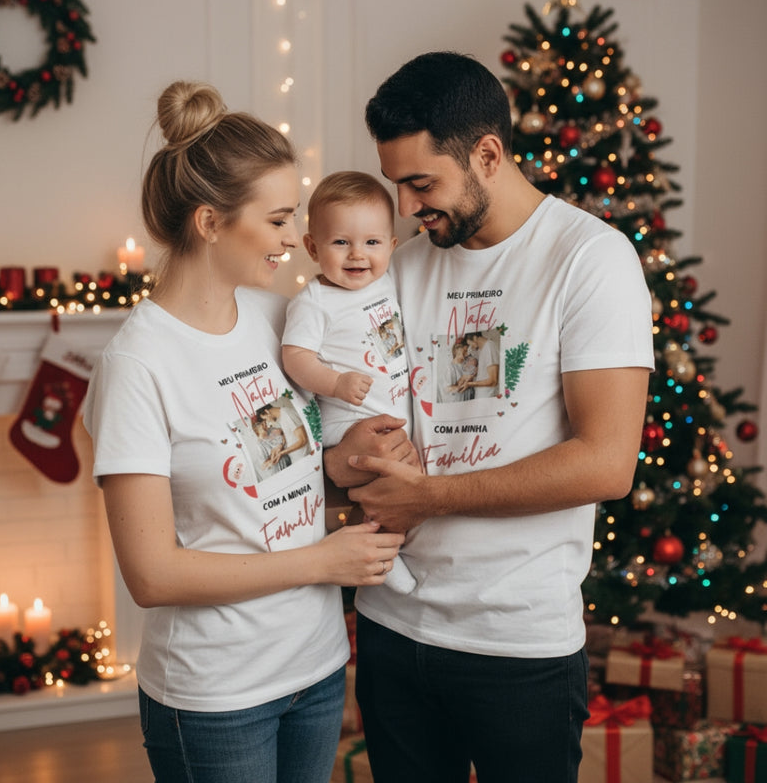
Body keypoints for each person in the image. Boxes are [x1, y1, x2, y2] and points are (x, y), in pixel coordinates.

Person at [323, 52, 655, 783]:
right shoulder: (401, 269)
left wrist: (430, 496)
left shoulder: (591, 260)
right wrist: (349, 447)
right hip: (392, 632)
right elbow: (353, 415)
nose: (406, 207)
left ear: (488, 154)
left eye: (421, 183)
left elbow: (607, 462)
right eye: (395, 186)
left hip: (519, 646)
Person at [83, 81, 407, 783]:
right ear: (209, 222)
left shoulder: (278, 319)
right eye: (281, 219)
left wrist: (352, 460)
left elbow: (293, 475)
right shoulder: (137, 364)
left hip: (317, 667)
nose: (298, 238)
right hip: (216, 696)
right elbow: (152, 573)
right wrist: (324, 563)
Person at [282, 170, 417, 594]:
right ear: (312, 247)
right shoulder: (315, 301)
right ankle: (380, 555)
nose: (358, 255)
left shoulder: (387, 283)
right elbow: (295, 356)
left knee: (403, 485)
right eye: (341, 242)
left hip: (393, 411)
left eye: (372, 243)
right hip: (347, 421)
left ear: (392, 247)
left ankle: (390, 546)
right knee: (379, 485)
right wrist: (336, 383)